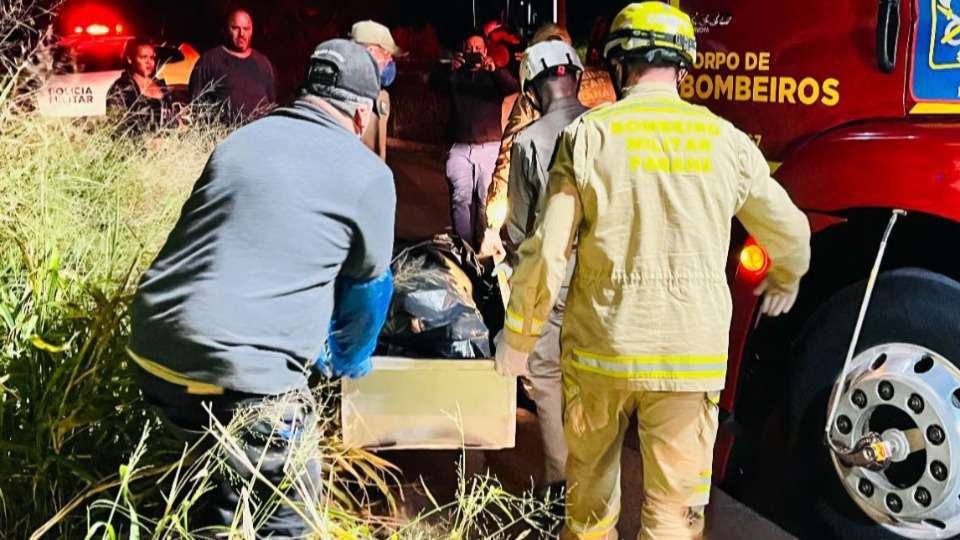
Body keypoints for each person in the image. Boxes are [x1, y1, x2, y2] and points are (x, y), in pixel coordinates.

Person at [496, 3, 812, 539]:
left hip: (602, 352)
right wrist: (787, 274)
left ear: (618, 65)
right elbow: (791, 232)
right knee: (672, 517)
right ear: (682, 69)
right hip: (690, 357)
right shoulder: (724, 140)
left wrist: (519, 336)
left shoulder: (589, 136)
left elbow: (547, 252)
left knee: (589, 510)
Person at [129, 39, 394, 537]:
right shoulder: (370, 175)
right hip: (246, 379)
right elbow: (367, 293)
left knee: (211, 497)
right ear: (363, 114)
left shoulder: (241, 141)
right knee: (290, 518)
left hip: (154, 351)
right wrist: (347, 362)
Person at [495, 40, 588, 499]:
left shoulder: (529, 140)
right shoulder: (606, 127)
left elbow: (518, 227)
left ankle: (559, 484)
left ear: (531, 89)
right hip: (601, 279)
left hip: (553, 278)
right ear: (577, 76)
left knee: (547, 377)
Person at [480, 23, 614, 259]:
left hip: (554, 231)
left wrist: (493, 225)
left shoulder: (532, 99)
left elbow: (509, 156)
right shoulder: (606, 84)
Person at [445, 34, 519, 247]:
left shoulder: (493, 77)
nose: (474, 52)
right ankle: (464, 247)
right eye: (470, 48)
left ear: (485, 52)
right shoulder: (455, 75)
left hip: (489, 147)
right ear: (463, 51)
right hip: (460, 147)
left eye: (478, 48)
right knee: (460, 199)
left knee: (486, 200)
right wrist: (451, 69)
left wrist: (495, 70)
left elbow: (513, 87)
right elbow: (435, 84)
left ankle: (483, 245)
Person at [189, 9, 276, 121]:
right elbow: (196, 104)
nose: (241, 34)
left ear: (251, 30)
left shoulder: (263, 63)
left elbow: (271, 103)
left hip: (259, 130)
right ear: (226, 30)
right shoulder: (209, 61)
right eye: (235, 28)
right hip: (225, 131)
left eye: (246, 28)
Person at [351, 19, 404, 160]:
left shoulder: (382, 95)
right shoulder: (342, 97)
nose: (390, 60)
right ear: (370, 51)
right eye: (386, 53)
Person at [107, 39, 175, 132]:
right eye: (143, 57)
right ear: (130, 59)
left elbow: (173, 116)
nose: (149, 62)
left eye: (152, 57)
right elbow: (116, 126)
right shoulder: (121, 89)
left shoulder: (160, 84)